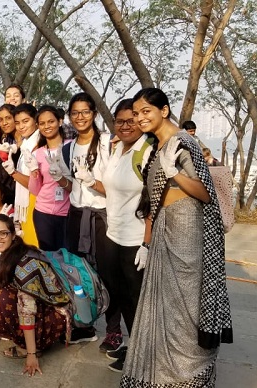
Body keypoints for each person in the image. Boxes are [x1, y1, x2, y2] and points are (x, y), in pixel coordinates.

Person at [121, 88, 232, 387]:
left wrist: (175, 174)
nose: (140, 117)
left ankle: (189, 377)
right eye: (137, 113)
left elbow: (205, 192)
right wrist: (146, 242)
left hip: (188, 230)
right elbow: (151, 200)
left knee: (185, 306)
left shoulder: (183, 142)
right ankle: (161, 375)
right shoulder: (157, 146)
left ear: (164, 110)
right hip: (164, 230)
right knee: (164, 306)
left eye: (147, 111)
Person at [0, 214, 69, 377]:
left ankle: (30, 346)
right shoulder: (12, 254)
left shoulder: (24, 265)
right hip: (41, 307)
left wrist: (31, 355)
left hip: (55, 317)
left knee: (2, 297)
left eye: (3, 233)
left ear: (13, 235)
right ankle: (23, 337)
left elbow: (27, 309)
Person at [100, 99, 153, 372]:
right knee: (120, 294)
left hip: (135, 239)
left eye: (130, 120)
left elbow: (155, 199)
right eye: (119, 121)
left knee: (137, 298)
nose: (125, 125)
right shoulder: (118, 148)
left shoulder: (147, 151)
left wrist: (147, 242)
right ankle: (135, 346)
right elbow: (111, 188)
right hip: (114, 234)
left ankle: (143, 355)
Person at [60, 92, 116, 348]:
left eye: (85, 112)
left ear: (94, 113)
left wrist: (93, 182)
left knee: (107, 272)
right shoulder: (69, 147)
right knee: (78, 273)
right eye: (75, 113)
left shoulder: (107, 143)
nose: (80, 117)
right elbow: (72, 187)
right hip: (76, 215)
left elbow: (116, 188)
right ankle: (85, 324)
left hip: (101, 217)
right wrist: (58, 176)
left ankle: (113, 330)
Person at [27, 106, 70, 251]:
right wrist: (34, 174)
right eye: (42, 123)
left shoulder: (71, 146)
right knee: (48, 257)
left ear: (60, 121)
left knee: (67, 257)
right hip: (42, 213)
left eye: (51, 121)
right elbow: (35, 190)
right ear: (38, 126)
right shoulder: (38, 153)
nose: (47, 126)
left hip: (67, 213)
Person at [0, 103, 39, 247]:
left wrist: (13, 173)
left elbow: (35, 184)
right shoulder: (26, 144)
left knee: (35, 246)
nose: (21, 126)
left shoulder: (38, 144)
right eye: (17, 123)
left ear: (35, 120)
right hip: (27, 203)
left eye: (25, 121)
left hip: (36, 203)